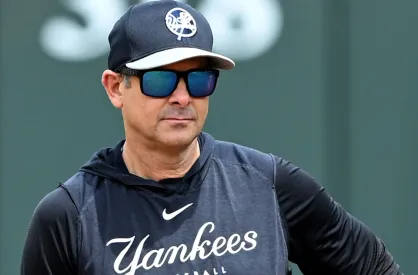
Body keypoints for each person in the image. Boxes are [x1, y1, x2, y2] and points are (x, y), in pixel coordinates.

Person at [20, 1, 402, 274]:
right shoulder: (70, 215)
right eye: (160, 79)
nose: (182, 96)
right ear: (116, 87)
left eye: (199, 79)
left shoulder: (269, 185)